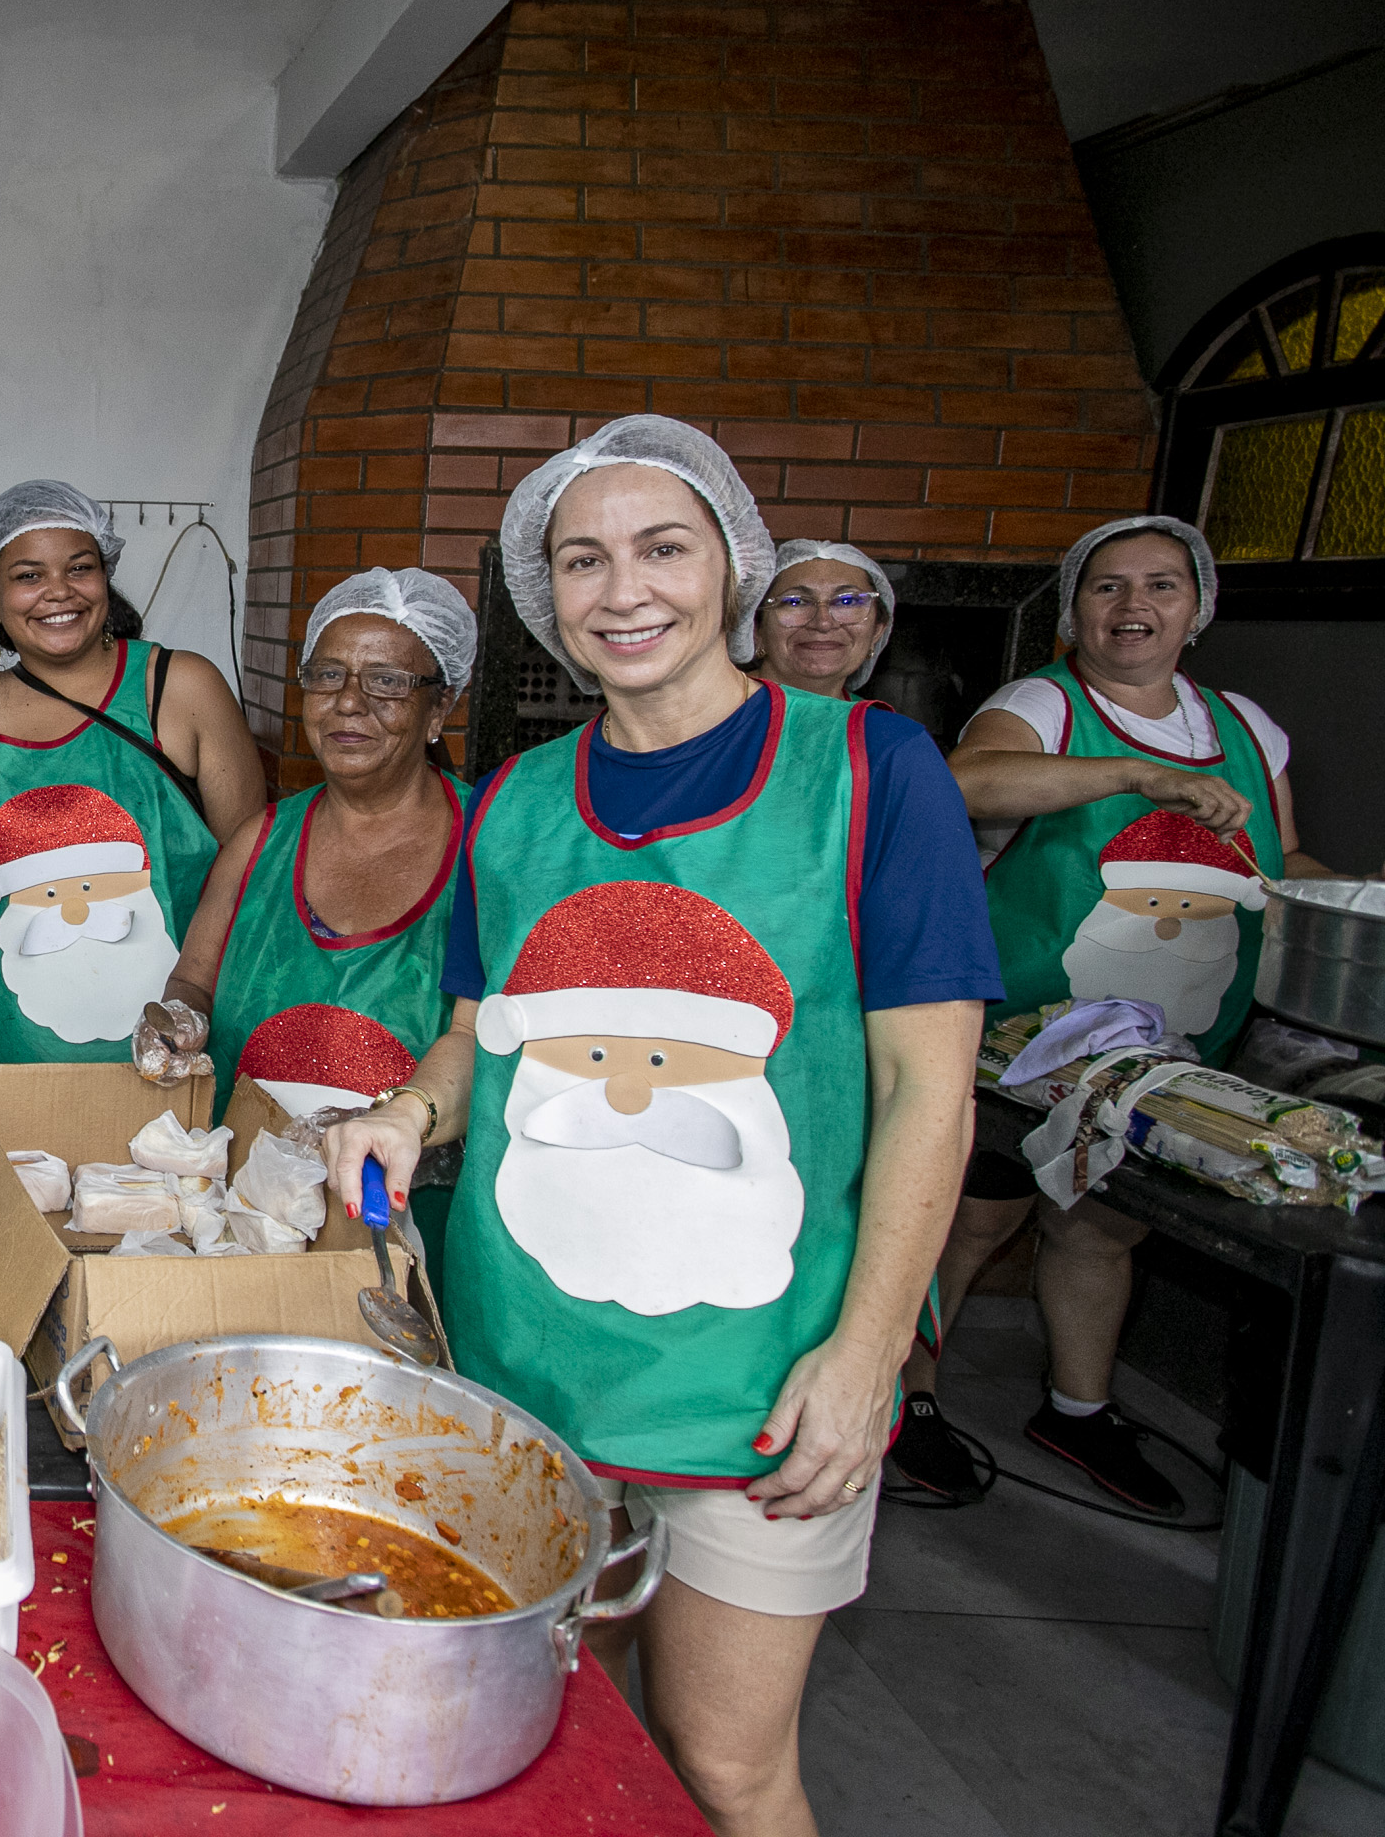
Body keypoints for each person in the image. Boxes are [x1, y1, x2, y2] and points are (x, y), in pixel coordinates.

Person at [316, 416, 997, 1837]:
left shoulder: (872, 777)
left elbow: (928, 1089)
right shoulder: (510, 804)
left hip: (763, 1383)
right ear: (540, 593)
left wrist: (871, 1355)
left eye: (662, 548)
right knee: (566, 1726)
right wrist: (409, 1108)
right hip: (535, 1364)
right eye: (582, 560)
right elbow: (466, 1033)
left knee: (725, 1760)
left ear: (733, 568)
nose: (623, 590)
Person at [892, 514, 1332, 1511]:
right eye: (1108, 586)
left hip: (1173, 1044)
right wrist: (1134, 772)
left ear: (1198, 608)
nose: (1134, 605)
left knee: (1102, 1225)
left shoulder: (1246, 729)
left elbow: (1283, 854)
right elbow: (966, 782)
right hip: (1031, 1036)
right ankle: (906, 1398)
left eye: (1161, 586)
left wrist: (1354, 895)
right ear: (1073, 610)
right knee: (974, 1216)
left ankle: (1078, 1407)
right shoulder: (1043, 703)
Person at [136, 565, 476, 1257]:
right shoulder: (258, 842)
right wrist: (176, 1024)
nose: (349, 703)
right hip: (254, 1217)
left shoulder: (486, 847)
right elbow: (193, 983)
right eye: (327, 677)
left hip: (416, 1231)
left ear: (439, 711)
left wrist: (415, 1131)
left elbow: (501, 1047)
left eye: (387, 682)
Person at [0, 481, 266, 1066]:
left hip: (172, 1055)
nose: (58, 592)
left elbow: (253, 870)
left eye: (79, 568)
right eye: (27, 575)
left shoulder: (179, 689)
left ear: (105, 577)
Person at [751, 539, 894, 700]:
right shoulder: (722, 715)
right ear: (756, 629)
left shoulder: (884, 724)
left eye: (847, 601)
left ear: (877, 631)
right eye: (796, 602)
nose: (823, 623)